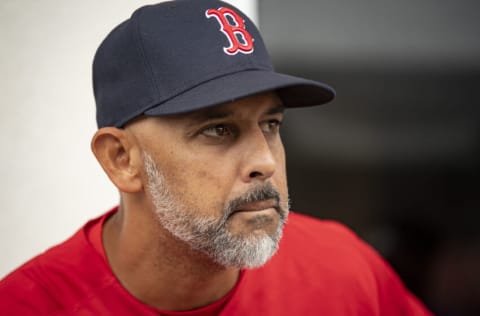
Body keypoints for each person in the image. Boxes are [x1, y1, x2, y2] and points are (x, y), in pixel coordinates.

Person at [0, 0, 432, 315]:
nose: (264, 160)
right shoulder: (29, 305)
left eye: (271, 124)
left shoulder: (341, 267)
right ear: (121, 159)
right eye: (218, 130)